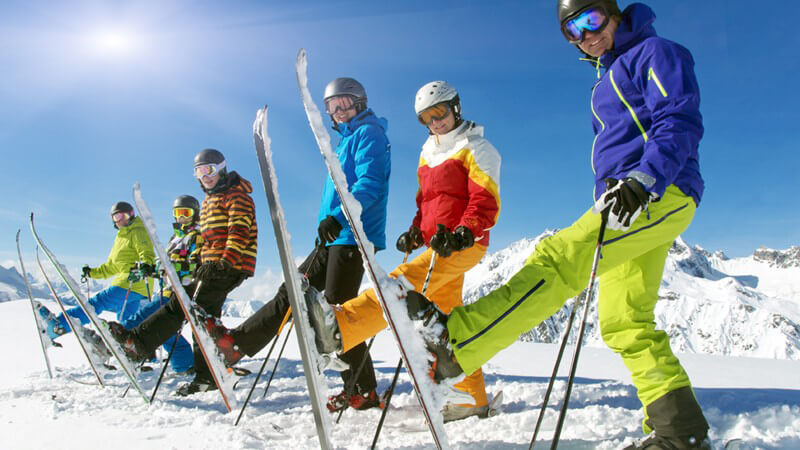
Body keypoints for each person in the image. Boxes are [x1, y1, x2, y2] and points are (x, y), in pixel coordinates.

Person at [410, 1, 710, 448]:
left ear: (613, 12)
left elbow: (678, 119)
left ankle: (459, 340)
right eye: (573, 31)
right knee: (624, 321)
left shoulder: (655, 52)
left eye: (591, 21)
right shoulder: (605, 78)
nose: (585, 36)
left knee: (558, 258)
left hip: (657, 191)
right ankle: (678, 430)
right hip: (630, 199)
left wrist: (644, 178)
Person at [307, 80, 501, 422]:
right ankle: (473, 398)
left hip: (462, 245)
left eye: (439, 112)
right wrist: (415, 230)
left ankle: (342, 330)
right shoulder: (429, 152)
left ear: (455, 107)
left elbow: (484, 202)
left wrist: (462, 232)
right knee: (451, 324)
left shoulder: (477, 147)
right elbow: (425, 202)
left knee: (397, 287)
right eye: (426, 117)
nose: (435, 121)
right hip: (435, 245)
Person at [204, 77, 391, 412]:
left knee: (335, 315)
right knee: (292, 290)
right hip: (335, 235)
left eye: (345, 103)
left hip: (353, 236)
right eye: (333, 107)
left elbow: (370, 183)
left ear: (360, 103)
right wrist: (331, 220)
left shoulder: (369, 133)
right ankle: (236, 345)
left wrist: (339, 215)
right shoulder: (345, 140)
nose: (339, 111)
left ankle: (363, 390)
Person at [109, 149, 258, 396]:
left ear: (222, 168)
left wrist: (224, 262)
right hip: (210, 267)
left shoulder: (236, 196)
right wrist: (203, 264)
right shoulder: (211, 199)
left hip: (230, 266)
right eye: (199, 171)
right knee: (194, 311)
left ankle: (144, 346)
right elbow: (209, 242)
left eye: (209, 169)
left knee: (191, 311)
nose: (205, 175)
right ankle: (201, 371)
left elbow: (239, 233)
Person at [38, 202, 155, 340]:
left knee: (96, 304)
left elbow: (146, 252)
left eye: (122, 216)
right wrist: (91, 273)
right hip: (134, 286)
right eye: (115, 218)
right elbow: (111, 267)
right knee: (126, 324)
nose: (119, 220)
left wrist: (146, 265)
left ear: (131, 215)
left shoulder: (137, 231)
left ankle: (61, 325)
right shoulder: (121, 238)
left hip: (131, 282)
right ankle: (135, 351)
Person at [122, 195, 204, 374]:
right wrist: (151, 269)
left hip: (181, 292)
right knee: (164, 330)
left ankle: (121, 350)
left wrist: (167, 266)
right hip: (168, 291)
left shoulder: (197, 237)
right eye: (178, 213)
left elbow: (195, 265)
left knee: (140, 320)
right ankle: (185, 364)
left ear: (195, 214)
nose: (181, 217)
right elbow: (166, 266)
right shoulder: (175, 238)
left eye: (186, 213)